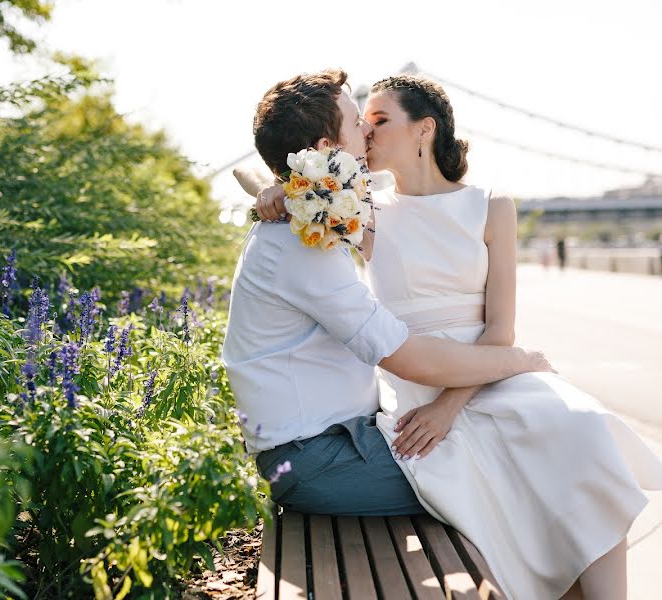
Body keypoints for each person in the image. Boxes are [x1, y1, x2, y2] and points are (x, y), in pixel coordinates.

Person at [242, 72, 662, 600]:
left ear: (425, 130)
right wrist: (280, 189)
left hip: (484, 373)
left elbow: (501, 330)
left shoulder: (493, 206)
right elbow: (302, 194)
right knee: (540, 466)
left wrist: (450, 407)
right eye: (362, 123)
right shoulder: (362, 211)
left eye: (380, 120)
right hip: (419, 383)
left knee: (582, 430)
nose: (367, 133)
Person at [222, 69, 553, 522]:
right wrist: (520, 360)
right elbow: (403, 355)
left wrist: (283, 186)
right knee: (520, 472)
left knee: (527, 452)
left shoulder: (312, 216)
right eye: (357, 120)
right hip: (321, 457)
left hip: (340, 438)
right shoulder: (304, 245)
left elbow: (262, 172)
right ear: (324, 151)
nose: (366, 130)